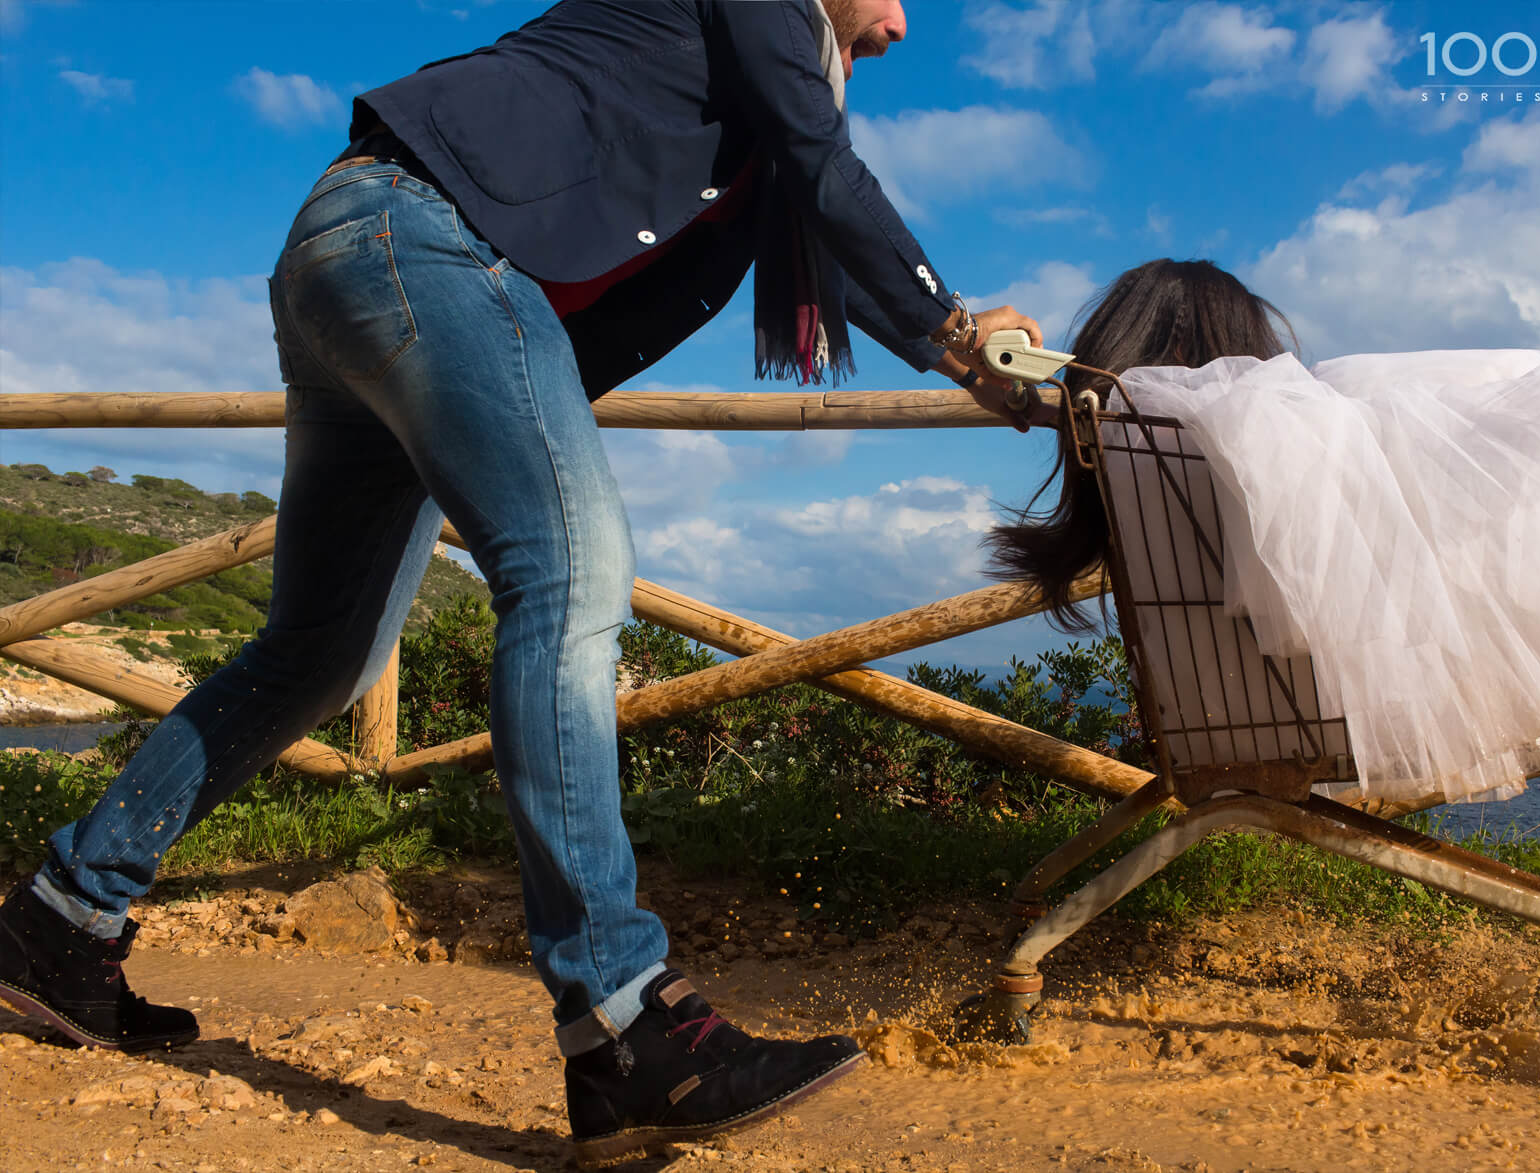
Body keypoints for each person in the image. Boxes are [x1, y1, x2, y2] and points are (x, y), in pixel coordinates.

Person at [0, 1, 1042, 1164]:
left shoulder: (754, 113)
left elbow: (812, 212)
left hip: (352, 247)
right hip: (424, 244)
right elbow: (822, 158)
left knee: (318, 654)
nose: (899, 26)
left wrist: (970, 357)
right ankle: (622, 1018)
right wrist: (952, 326)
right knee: (572, 573)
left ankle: (57, 920)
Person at [988, 258, 1540, 804]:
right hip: (1320, 701)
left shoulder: (1124, 456)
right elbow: (1413, 413)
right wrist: (1535, 441)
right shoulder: (1287, 433)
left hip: (1217, 706)